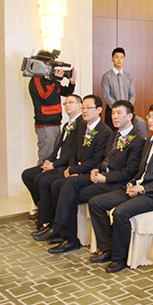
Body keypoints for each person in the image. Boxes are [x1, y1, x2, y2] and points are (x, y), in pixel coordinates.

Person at [88, 102, 153, 273]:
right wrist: (131, 184)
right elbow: (141, 171)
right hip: (138, 187)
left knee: (120, 213)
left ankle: (119, 258)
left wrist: (143, 189)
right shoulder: (149, 141)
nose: (150, 120)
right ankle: (107, 247)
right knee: (96, 203)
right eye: (149, 116)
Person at [45, 100, 146, 255]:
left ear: (129, 116)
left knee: (70, 191)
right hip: (100, 176)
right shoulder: (113, 135)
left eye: (119, 113)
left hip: (115, 183)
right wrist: (95, 169)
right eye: (113, 113)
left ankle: (66, 234)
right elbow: (103, 159)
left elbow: (129, 171)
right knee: (67, 186)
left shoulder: (138, 140)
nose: (115, 116)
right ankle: (67, 235)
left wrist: (105, 178)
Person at [33, 95, 112, 244]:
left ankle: (61, 231)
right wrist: (71, 168)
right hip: (76, 170)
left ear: (99, 110)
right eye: (83, 108)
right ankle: (56, 228)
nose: (85, 111)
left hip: (90, 172)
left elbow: (97, 160)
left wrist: (76, 171)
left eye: (89, 108)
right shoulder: (81, 126)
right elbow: (73, 151)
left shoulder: (105, 131)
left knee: (64, 184)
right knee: (54, 184)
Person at [22, 94, 84, 222]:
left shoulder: (82, 125)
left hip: (65, 164)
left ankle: (46, 215)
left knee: (40, 179)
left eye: (71, 102)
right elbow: (58, 147)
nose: (67, 105)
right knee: (27, 175)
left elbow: (72, 152)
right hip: (56, 161)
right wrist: (48, 160)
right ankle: (42, 204)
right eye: (65, 103)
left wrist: (54, 165)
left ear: (80, 106)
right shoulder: (67, 125)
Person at [28, 50, 77, 165]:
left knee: (53, 160)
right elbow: (47, 98)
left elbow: (65, 92)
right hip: (46, 126)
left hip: (55, 123)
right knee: (45, 159)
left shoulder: (50, 81)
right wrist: (57, 81)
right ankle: (39, 176)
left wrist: (72, 83)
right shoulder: (36, 81)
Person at [101, 47, 135, 130]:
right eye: (116, 57)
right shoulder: (106, 76)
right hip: (112, 110)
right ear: (112, 59)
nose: (119, 60)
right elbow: (106, 95)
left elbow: (132, 94)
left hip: (127, 112)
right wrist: (118, 109)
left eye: (121, 57)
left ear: (124, 59)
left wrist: (128, 108)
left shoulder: (128, 76)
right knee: (112, 133)